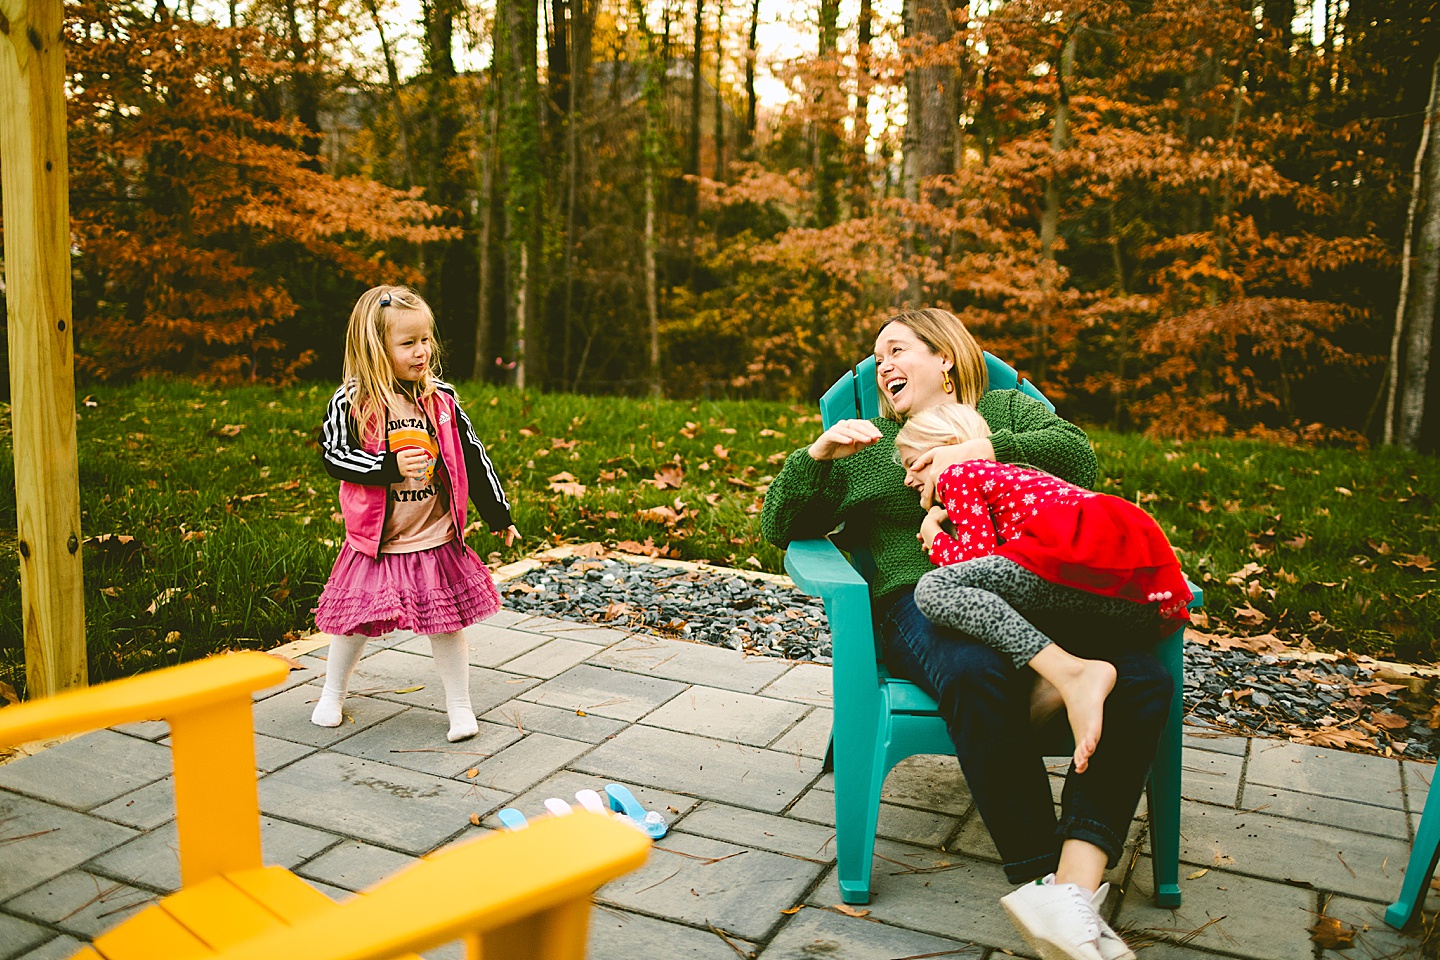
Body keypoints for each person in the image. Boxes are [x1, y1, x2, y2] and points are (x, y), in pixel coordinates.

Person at [761, 308, 1171, 960]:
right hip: (919, 605)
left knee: (1144, 677)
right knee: (976, 672)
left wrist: (975, 452)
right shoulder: (868, 452)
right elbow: (777, 530)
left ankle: (1072, 890)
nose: (882, 366)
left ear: (945, 356)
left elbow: (1077, 459)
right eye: (876, 359)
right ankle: (1043, 880)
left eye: (896, 349)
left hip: (1031, 590)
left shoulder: (1004, 411)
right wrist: (814, 456)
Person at [893, 403, 1190, 776]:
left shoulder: (959, 473)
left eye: (910, 464)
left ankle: (1070, 675)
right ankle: (1057, 683)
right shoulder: (1008, 476)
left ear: (947, 446)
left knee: (933, 589)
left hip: (1075, 557)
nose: (907, 480)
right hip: (1132, 589)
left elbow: (972, 563)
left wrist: (934, 534)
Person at [312, 285, 520, 742]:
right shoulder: (352, 402)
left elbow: (471, 455)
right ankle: (331, 693)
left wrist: (498, 513)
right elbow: (334, 455)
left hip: (434, 534)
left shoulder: (441, 399)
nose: (422, 351)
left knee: (446, 624)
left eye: (426, 340)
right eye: (408, 343)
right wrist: (386, 467)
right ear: (375, 348)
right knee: (353, 623)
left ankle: (460, 707)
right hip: (377, 541)